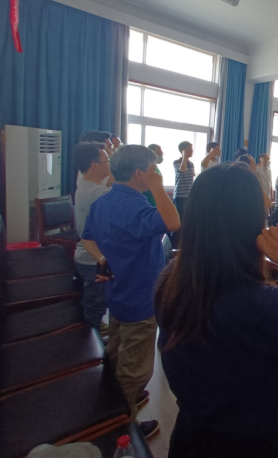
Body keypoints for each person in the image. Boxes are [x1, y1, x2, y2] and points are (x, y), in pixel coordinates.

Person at [155, 164, 278, 458]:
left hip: (190, 435)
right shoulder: (261, 303)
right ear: (253, 225)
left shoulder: (170, 280)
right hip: (248, 442)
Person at [81, 145, 180, 438]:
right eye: (153, 169)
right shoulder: (136, 207)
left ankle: (112, 403)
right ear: (140, 173)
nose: (156, 173)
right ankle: (120, 427)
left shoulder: (103, 202)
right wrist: (158, 187)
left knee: (116, 351)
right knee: (136, 369)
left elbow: (86, 237)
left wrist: (103, 258)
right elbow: (174, 222)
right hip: (140, 298)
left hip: (118, 294)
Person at [73, 142, 111, 334]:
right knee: (95, 306)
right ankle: (91, 342)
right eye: (107, 159)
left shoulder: (86, 185)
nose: (110, 163)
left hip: (87, 256)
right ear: (94, 165)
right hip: (94, 260)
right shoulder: (98, 193)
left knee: (95, 303)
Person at [172, 141, 195, 249]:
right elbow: (183, 170)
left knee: (187, 221)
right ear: (183, 150)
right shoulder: (177, 162)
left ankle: (185, 244)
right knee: (180, 222)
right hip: (180, 197)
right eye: (190, 149)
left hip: (189, 196)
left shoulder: (191, 164)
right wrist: (184, 157)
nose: (192, 151)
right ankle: (175, 246)